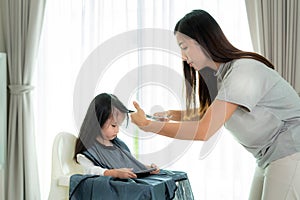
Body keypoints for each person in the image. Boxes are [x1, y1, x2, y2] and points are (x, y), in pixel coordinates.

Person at [130, 9, 300, 200]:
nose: (183, 57)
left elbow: (205, 129)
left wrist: (148, 125)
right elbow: (210, 114)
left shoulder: (244, 71)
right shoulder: (221, 77)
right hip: (268, 157)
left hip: (291, 149)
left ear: (203, 41)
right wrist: (172, 114)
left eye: (184, 47)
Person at [74, 93, 160, 179]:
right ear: (97, 121)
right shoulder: (88, 152)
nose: (117, 130)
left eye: (119, 125)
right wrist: (113, 173)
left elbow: (130, 165)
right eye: (114, 125)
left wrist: (148, 168)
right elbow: (89, 170)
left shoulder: (118, 145)